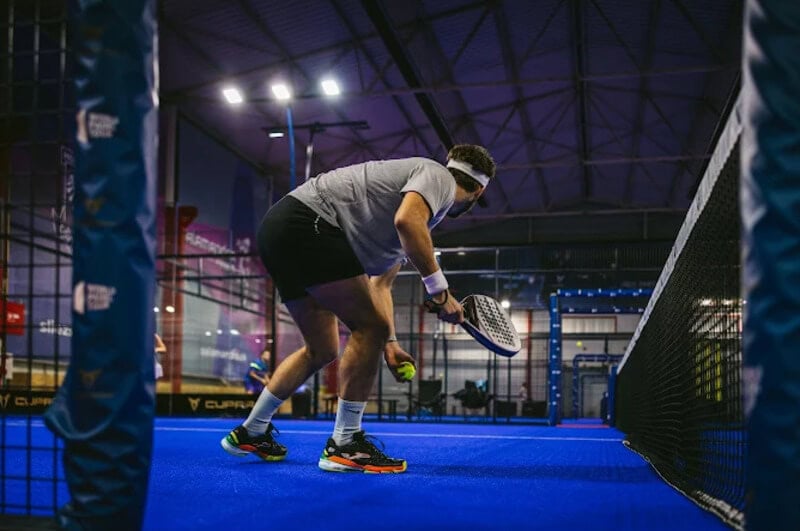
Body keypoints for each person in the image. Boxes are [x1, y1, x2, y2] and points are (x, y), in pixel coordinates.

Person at [221, 145, 496, 473]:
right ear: (478, 190)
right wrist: (440, 291)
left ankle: (251, 430)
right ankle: (346, 443)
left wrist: (390, 342)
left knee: (322, 349)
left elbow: (380, 286)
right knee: (369, 329)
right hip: (307, 224)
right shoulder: (438, 178)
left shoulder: (407, 217)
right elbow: (408, 221)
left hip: (281, 233)